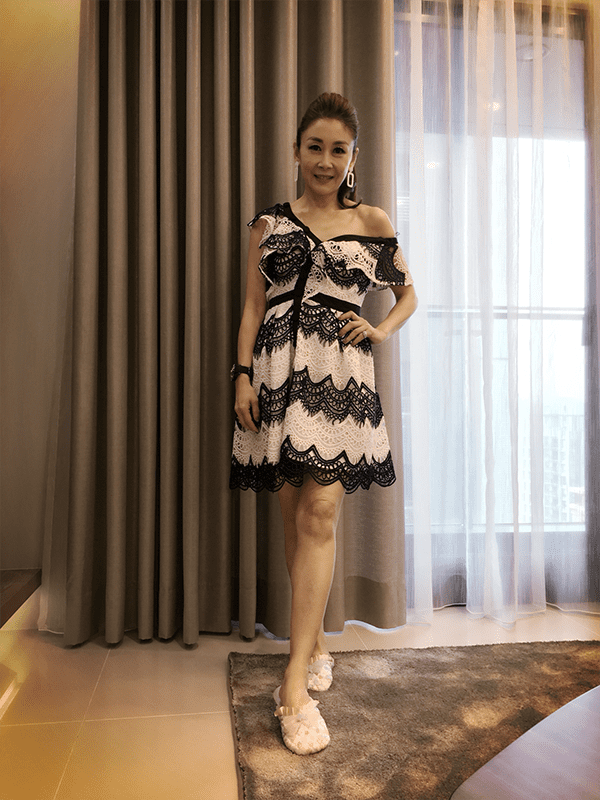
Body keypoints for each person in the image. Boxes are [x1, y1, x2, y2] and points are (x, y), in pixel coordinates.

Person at [230, 93, 417, 755]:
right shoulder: (269, 225)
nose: (326, 161)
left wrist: (380, 329)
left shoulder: (372, 221)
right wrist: (241, 375)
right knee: (293, 517)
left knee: (320, 514)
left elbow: (407, 294)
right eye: (315, 147)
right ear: (296, 151)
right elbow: (253, 308)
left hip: (339, 379)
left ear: (352, 156)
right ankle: (310, 649)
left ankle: (293, 685)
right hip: (277, 376)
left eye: (339, 149)